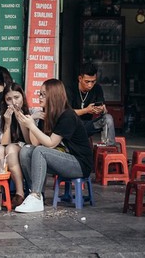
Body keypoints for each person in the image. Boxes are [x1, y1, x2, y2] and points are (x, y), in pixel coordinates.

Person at [15, 79, 94, 213]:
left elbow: (51, 143)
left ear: (54, 96)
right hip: (62, 159)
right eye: (39, 94)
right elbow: (34, 143)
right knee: (26, 151)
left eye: (43, 95)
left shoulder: (67, 115)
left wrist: (31, 126)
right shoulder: (46, 114)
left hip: (79, 163)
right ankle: (35, 194)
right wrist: (34, 120)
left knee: (40, 151)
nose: (39, 97)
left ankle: (36, 195)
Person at [0, 83, 31, 207]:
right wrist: (7, 123)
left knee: (11, 149)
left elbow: (29, 141)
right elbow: (3, 143)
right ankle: (3, 191)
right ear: (5, 101)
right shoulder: (1, 118)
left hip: (25, 147)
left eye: (16, 97)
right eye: (9, 99)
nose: (13, 102)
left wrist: (22, 121)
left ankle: (20, 193)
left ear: (23, 97)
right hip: (9, 147)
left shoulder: (32, 113)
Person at [65, 62, 116, 146]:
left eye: (93, 82)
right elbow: (67, 113)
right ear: (80, 78)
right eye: (87, 81)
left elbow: (104, 110)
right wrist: (86, 110)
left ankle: (110, 147)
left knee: (108, 118)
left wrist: (102, 110)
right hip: (72, 126)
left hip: (88, 126)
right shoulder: (70, 89)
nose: (90, 85)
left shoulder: (97, 88)